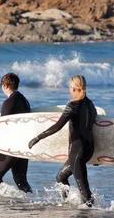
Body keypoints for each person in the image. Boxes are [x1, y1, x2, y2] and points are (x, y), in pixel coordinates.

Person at [28, 75, 96, 207]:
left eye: (70, 88)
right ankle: (68, 204)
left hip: (77, 150)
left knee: (84, 189)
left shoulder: (73, 105)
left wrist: (38, 137)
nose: (70, 90)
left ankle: (89, 217)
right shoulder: (91, 104)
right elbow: (93, 128)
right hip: (89, 148)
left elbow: (58, 126)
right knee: (61, 177)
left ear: (74, 88)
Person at [0, 72, 33, 193]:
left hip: (11, 146)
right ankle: (31, 200)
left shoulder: (8, 102)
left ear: (5, 86)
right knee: (21, 180)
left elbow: (0, 126)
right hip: (23, 146)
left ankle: (11, 197)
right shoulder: (24, 100)